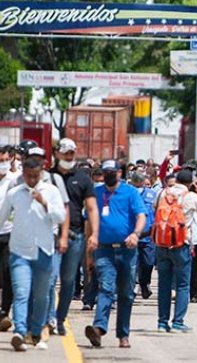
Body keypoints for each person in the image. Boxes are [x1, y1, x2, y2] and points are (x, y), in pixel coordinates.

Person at [0, 158, 66, 351]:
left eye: (35, 176)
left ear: (41, 173)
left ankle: (35, 331)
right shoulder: (14, 194)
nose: (31, 180)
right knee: (21, 292)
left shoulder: (51, 191)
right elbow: (2, 217)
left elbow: (60, 217)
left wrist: (45, 203)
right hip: (19, 252)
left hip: (44, 251)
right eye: (28, 176)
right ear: (23, 175)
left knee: (42, 295)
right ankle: (19, 332)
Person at [85, 160, 146, 349]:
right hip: (104, 249)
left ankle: (123, 335)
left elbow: (141, 216)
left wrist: (135, 234)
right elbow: (89, 222)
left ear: (120, 172)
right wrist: (89, 252)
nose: (110, 174)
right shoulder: (97, 193)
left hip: (127, 250)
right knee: (106, 287)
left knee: (126, 294)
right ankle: (99, 328)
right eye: (106, 172)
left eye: (113, 171)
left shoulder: (130, 192)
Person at [49, 138, 99, 335]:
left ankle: (60, 319)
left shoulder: (83, 178)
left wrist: (94, 234)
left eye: (72, 153)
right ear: (57, 154)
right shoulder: (48, 177)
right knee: (50, 279)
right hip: (51, 235)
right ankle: (49, 318)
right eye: (66, 153)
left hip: (75, 236)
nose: (69, 157)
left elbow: (92, 208)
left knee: (69, 281)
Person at [154, 170, 197, 332]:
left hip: (162, 243)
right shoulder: (191, 197)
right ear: (191, 182)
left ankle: (162, 322)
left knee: (164, 284)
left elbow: (155, 210)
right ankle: (178, 322)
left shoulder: (163, 193)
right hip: (181, 243)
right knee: (182, 285)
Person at [0, 146, 21, 332]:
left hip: (9, 233)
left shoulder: (14, 181)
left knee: (8, 274)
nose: (2, 164)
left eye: (4, 160)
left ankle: (4, 312)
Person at [129, 173, 156, 300]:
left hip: (148, 235)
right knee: (132, 265)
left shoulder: (152, 195)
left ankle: (144, 283)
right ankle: (131, 289)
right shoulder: (128, 193)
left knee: (148, 263)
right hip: (132, 234)